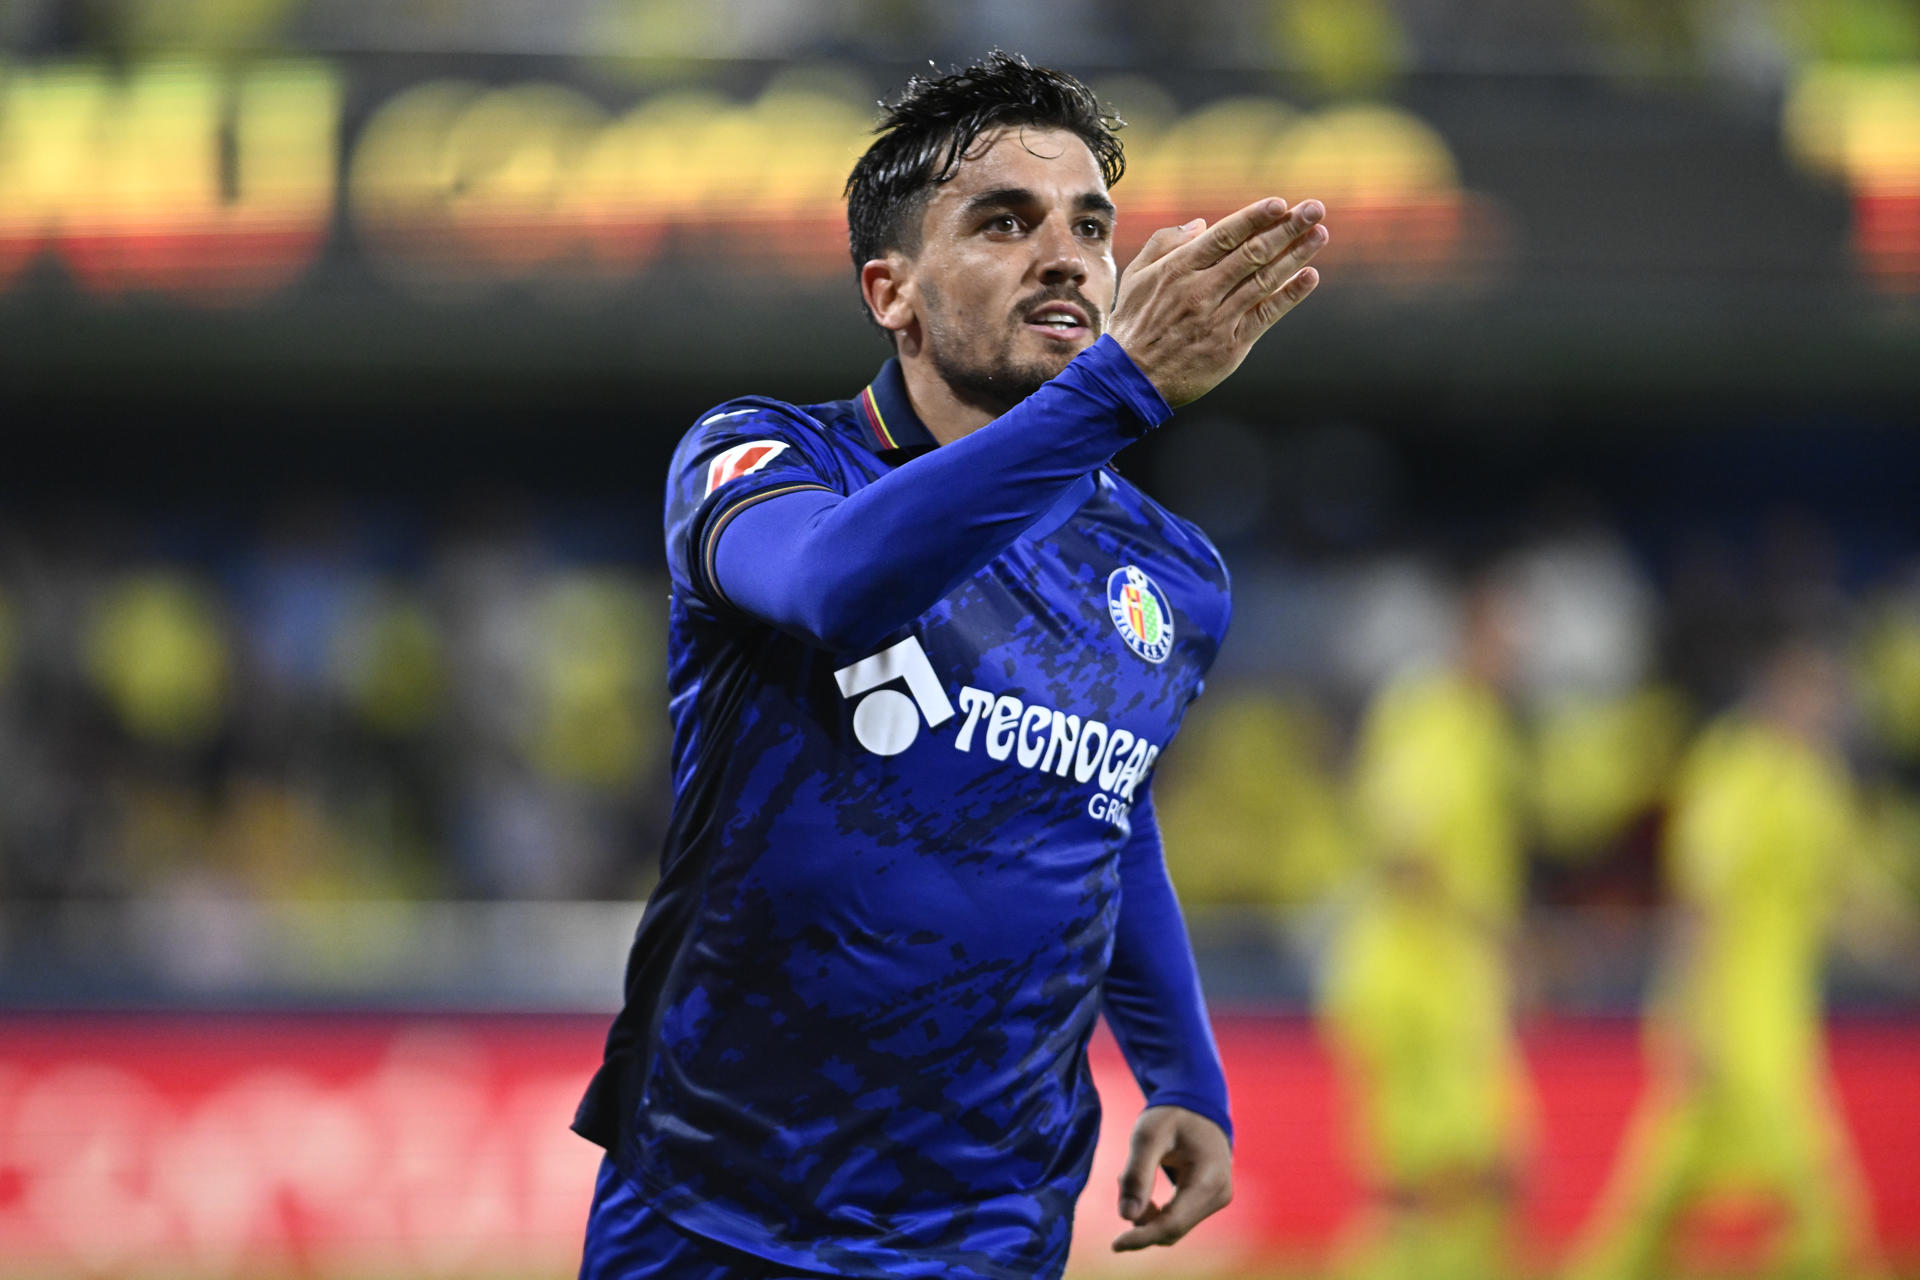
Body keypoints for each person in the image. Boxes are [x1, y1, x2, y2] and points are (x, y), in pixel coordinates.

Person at [572, 51, 1329, 1280]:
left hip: (994, 1222)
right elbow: (834, 587)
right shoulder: (766, 459)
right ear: (893, 293)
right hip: (721, 1201)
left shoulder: (1170, 572)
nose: (1066, 254)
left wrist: (1184, 1068)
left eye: (1092, 225)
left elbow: (1102, 806)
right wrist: (1119, 388)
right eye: (1003, 221)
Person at [1561, 638, 1887, 1280]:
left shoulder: (1815, 782)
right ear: (1776, 693)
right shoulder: (1733, 773)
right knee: (1813, 1182)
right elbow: (1699, 907)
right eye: (1811, 694)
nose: (1823, 711)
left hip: (1778, 1013)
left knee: (1665, 1188)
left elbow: (1847, 895)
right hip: (1728, 1013)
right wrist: (1690, 1015)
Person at [1319, 579, 1535, 1280]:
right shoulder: (1433, 719)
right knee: (1464, 1173)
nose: (1517, 653)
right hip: (1419, 979)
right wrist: (1496, 934)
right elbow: (1405, 850)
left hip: (1440, 974)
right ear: (1472, 635)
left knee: (1462, 1177)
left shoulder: (1475, 725)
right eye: (1505, 635)